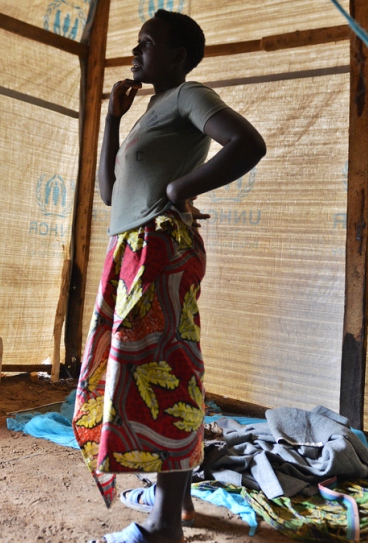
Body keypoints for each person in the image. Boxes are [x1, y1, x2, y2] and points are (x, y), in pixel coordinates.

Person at [72, 10, 266, 543]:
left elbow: (247, 143)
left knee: (165, 376)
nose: (136, 52)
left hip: (157, 249)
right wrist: (113, 118)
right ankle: (172, 507)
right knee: (147, 375)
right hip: (129, 249)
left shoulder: (188, 95)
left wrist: (180, 191)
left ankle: (162, 526)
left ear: (177, 57)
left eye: (147, 44)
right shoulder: (153, 108)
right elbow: (110, 194)